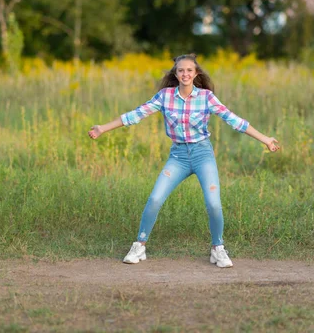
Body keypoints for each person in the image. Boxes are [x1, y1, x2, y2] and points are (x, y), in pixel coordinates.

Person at [88, 53, 279, 268]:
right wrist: (102, 128)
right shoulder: (164, 96)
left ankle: (218, 249)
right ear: (176, 74)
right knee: (155, 199)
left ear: (196, 73)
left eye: (189, 70)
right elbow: (136, 114)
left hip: (202, 155)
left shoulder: (206, 97)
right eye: (181, 70)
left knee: (214, 204)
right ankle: (139, 245)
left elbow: (234, 120)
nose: (185, 73)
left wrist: (265, 139)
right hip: (178, 157)